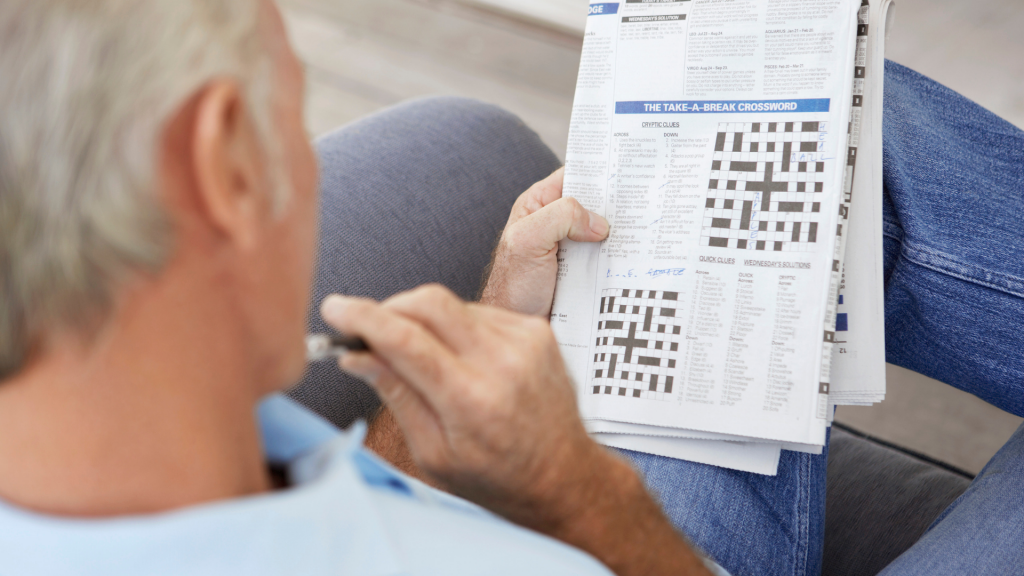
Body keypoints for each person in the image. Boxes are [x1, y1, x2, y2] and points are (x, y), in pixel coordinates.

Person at [0, 3, 1021, 576]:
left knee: (824, 136)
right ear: (223, 165)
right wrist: (582, 501)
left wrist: (483, 335)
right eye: (289, 116)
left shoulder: (148, 421)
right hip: (614, 545)